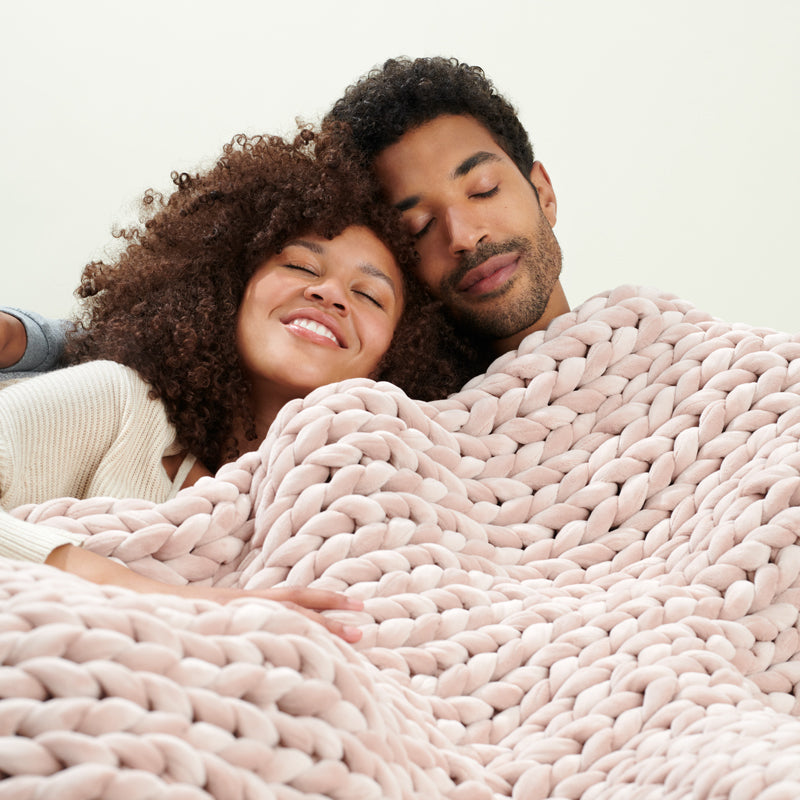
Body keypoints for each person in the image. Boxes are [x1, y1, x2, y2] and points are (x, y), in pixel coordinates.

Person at [0, 127, 466, 641]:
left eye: (370, 296)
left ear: (398, 355)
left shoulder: (376, 513)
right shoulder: (120, 404)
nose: (331, 293)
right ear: (227, 288)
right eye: (299, 264)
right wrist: (148, 594)